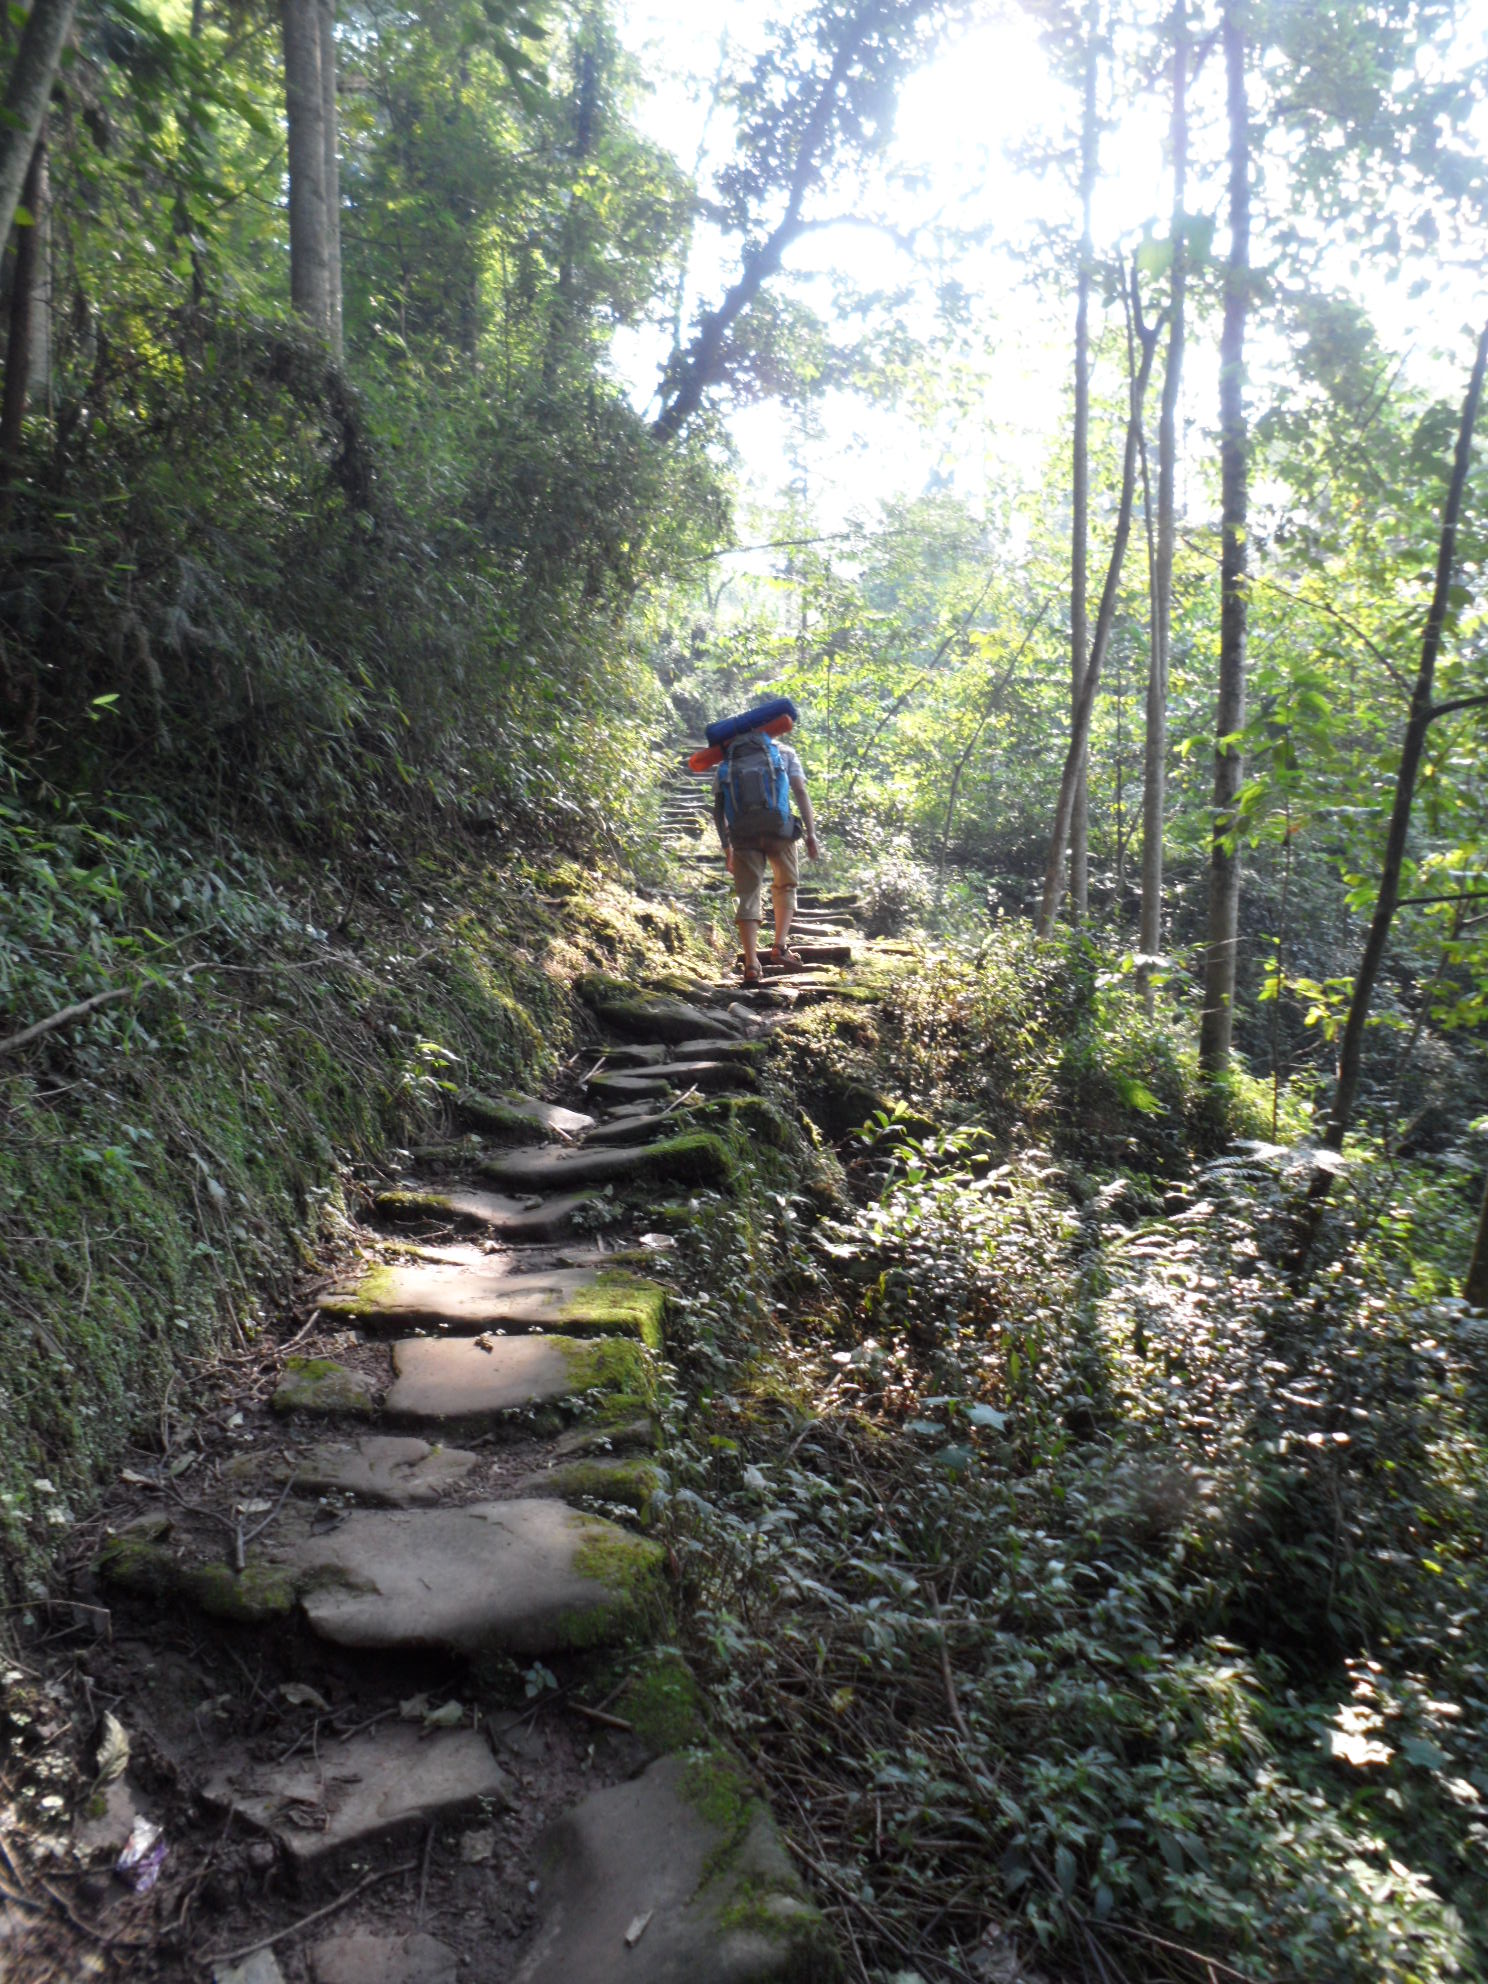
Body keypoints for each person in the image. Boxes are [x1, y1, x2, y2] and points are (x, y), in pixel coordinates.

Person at [713, 727, 820, 985]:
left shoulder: (728, 762)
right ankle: (779, 947)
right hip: (780, 832)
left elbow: (718, 808)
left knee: (748, 894)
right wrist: (811, 834)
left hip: (743, 835)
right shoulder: (784, 754)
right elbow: (800, 791)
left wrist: (727, 846)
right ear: (774, 730)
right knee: (785, 885)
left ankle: (751, 963)